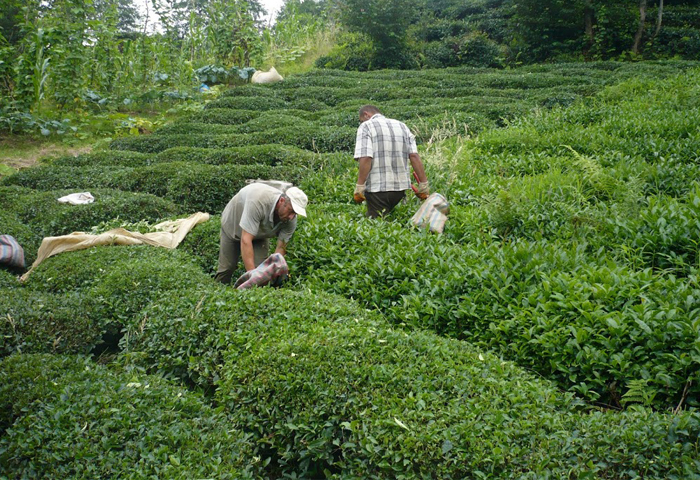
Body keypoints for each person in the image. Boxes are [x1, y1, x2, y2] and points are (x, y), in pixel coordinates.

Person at [215, 182, 307, 285]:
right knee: (227, 268)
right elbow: (246, 239)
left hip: (259, 234)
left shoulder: (291, 220)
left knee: (261, 269)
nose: (291, 217)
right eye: (290, 211)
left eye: (295, 213)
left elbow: (281, 249)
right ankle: (218, 291)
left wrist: (267, 275)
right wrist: (253, 280)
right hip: (232, 226)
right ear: (281, 201)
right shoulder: (258, 201)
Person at [353, 105, 430, 218]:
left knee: (377, 228)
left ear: (366, 114)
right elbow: (414, 156)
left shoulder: (366, 126)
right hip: (399, 190)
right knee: (388, 221)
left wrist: (360, 185)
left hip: (377, 188)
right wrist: (423, 184)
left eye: (361, 120)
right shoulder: (402, 126)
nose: (362, 122)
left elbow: (366, 157)